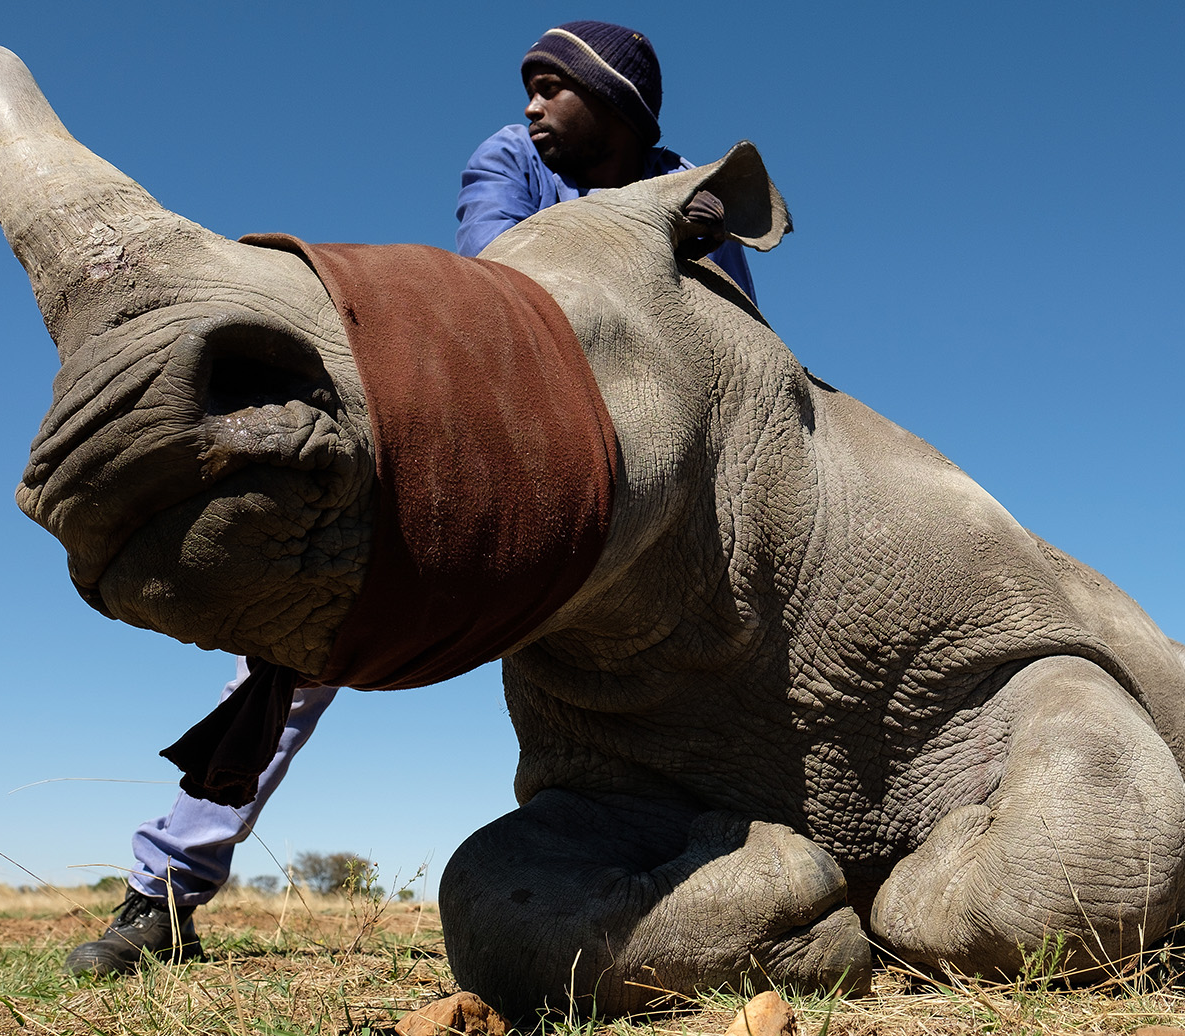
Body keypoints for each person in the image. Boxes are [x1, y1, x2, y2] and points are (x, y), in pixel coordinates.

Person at [65, 19, 755, 977]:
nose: (530, 104)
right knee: (299, 646)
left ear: (617, 102)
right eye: (531, 84)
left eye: (554, 85)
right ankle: (164, 895)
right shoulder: (510, 159)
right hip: (513, 436)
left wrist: (709, 258)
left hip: (658, 478)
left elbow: (737, 351)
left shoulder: (692, 187)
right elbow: (506, 281)